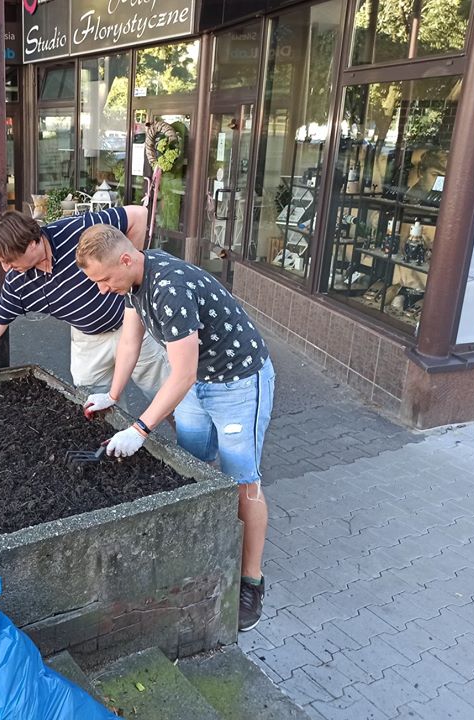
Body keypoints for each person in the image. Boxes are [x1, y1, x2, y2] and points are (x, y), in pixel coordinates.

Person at [75, 224, 275, 632]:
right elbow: (129, 342)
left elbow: (181, 374)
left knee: (243, 481)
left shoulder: (171, 289)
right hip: (198, 381)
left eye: (104, 279)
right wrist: (113, 394)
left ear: (125, 260)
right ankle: (206, 551)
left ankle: (251, 581)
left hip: (239, 383)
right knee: (192, 465)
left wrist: (139, 429)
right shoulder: (133, 280)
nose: (101, 289)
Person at [0, 207, 169, 403]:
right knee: (93, 403)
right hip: (89, 340)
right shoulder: (18, 282)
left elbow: (138, 215)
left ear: (33, 243)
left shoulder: (77, 231)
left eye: (10, 260)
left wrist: (129, 278)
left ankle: (187, 447)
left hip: (133, 326)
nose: (6, 268)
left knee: (166, 397)